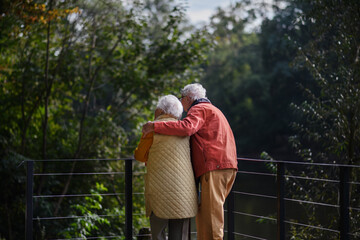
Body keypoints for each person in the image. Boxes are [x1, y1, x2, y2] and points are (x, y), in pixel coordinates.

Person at [142, 83, 238, 240]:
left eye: (181, 99)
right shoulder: (214, 110)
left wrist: (155, 126)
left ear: (188, 98)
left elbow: (187, 127)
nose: (181, 103)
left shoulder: (199, 109)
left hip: (214, 167)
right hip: (224, 166)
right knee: (205, 215)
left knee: (212, 218)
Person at [134, 95, 198, 240]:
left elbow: (139, 156)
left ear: (161, 109)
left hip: (159, 191)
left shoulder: (152, 128)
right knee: (179, 235)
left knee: (158, 233)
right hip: (184, 192)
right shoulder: (185, 129)